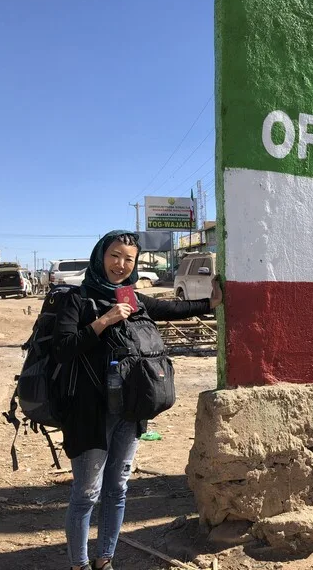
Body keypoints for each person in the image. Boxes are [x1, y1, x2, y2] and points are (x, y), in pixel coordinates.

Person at [54, 230, 222, 570]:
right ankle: (79, 564)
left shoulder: (132, 297)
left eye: (128, 259)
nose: (121, 264)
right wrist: (105, 320)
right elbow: (63, 349)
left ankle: (105, 559)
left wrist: (210, 303)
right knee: (86, 493)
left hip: (130, 409)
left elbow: (170, 308)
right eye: (114, 256)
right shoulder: (76, 299)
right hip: (90, 412)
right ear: (100, 256)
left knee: (117, 488)